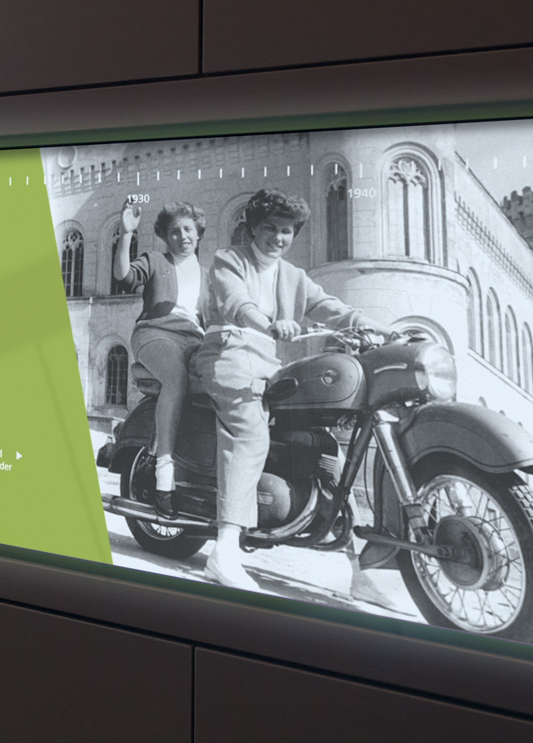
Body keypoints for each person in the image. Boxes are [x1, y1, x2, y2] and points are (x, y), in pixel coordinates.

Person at [190, 189, 392, 592]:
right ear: (252, 229)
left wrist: (375, 326)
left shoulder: (295, 277)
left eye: (287, 231)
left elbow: (331, 306)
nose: (278, 238)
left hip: (269, 361)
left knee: (324, 443)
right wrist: (267, 323)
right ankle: (224, 550)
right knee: (248, 429)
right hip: (228, 351)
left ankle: (358, 569)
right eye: (270, 229)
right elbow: (236, 301)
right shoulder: (229, 259)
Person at [112, 198, 207, 519]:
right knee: (176, 379)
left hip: (195, 340)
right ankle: (162, 469)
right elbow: (124, 277)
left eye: (188, 229)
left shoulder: (209, 275)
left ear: (198, 233)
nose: (182, 236)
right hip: (155, 333)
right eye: (175, 231)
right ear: (167, 237)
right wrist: (127, 234)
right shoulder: (155, 260)